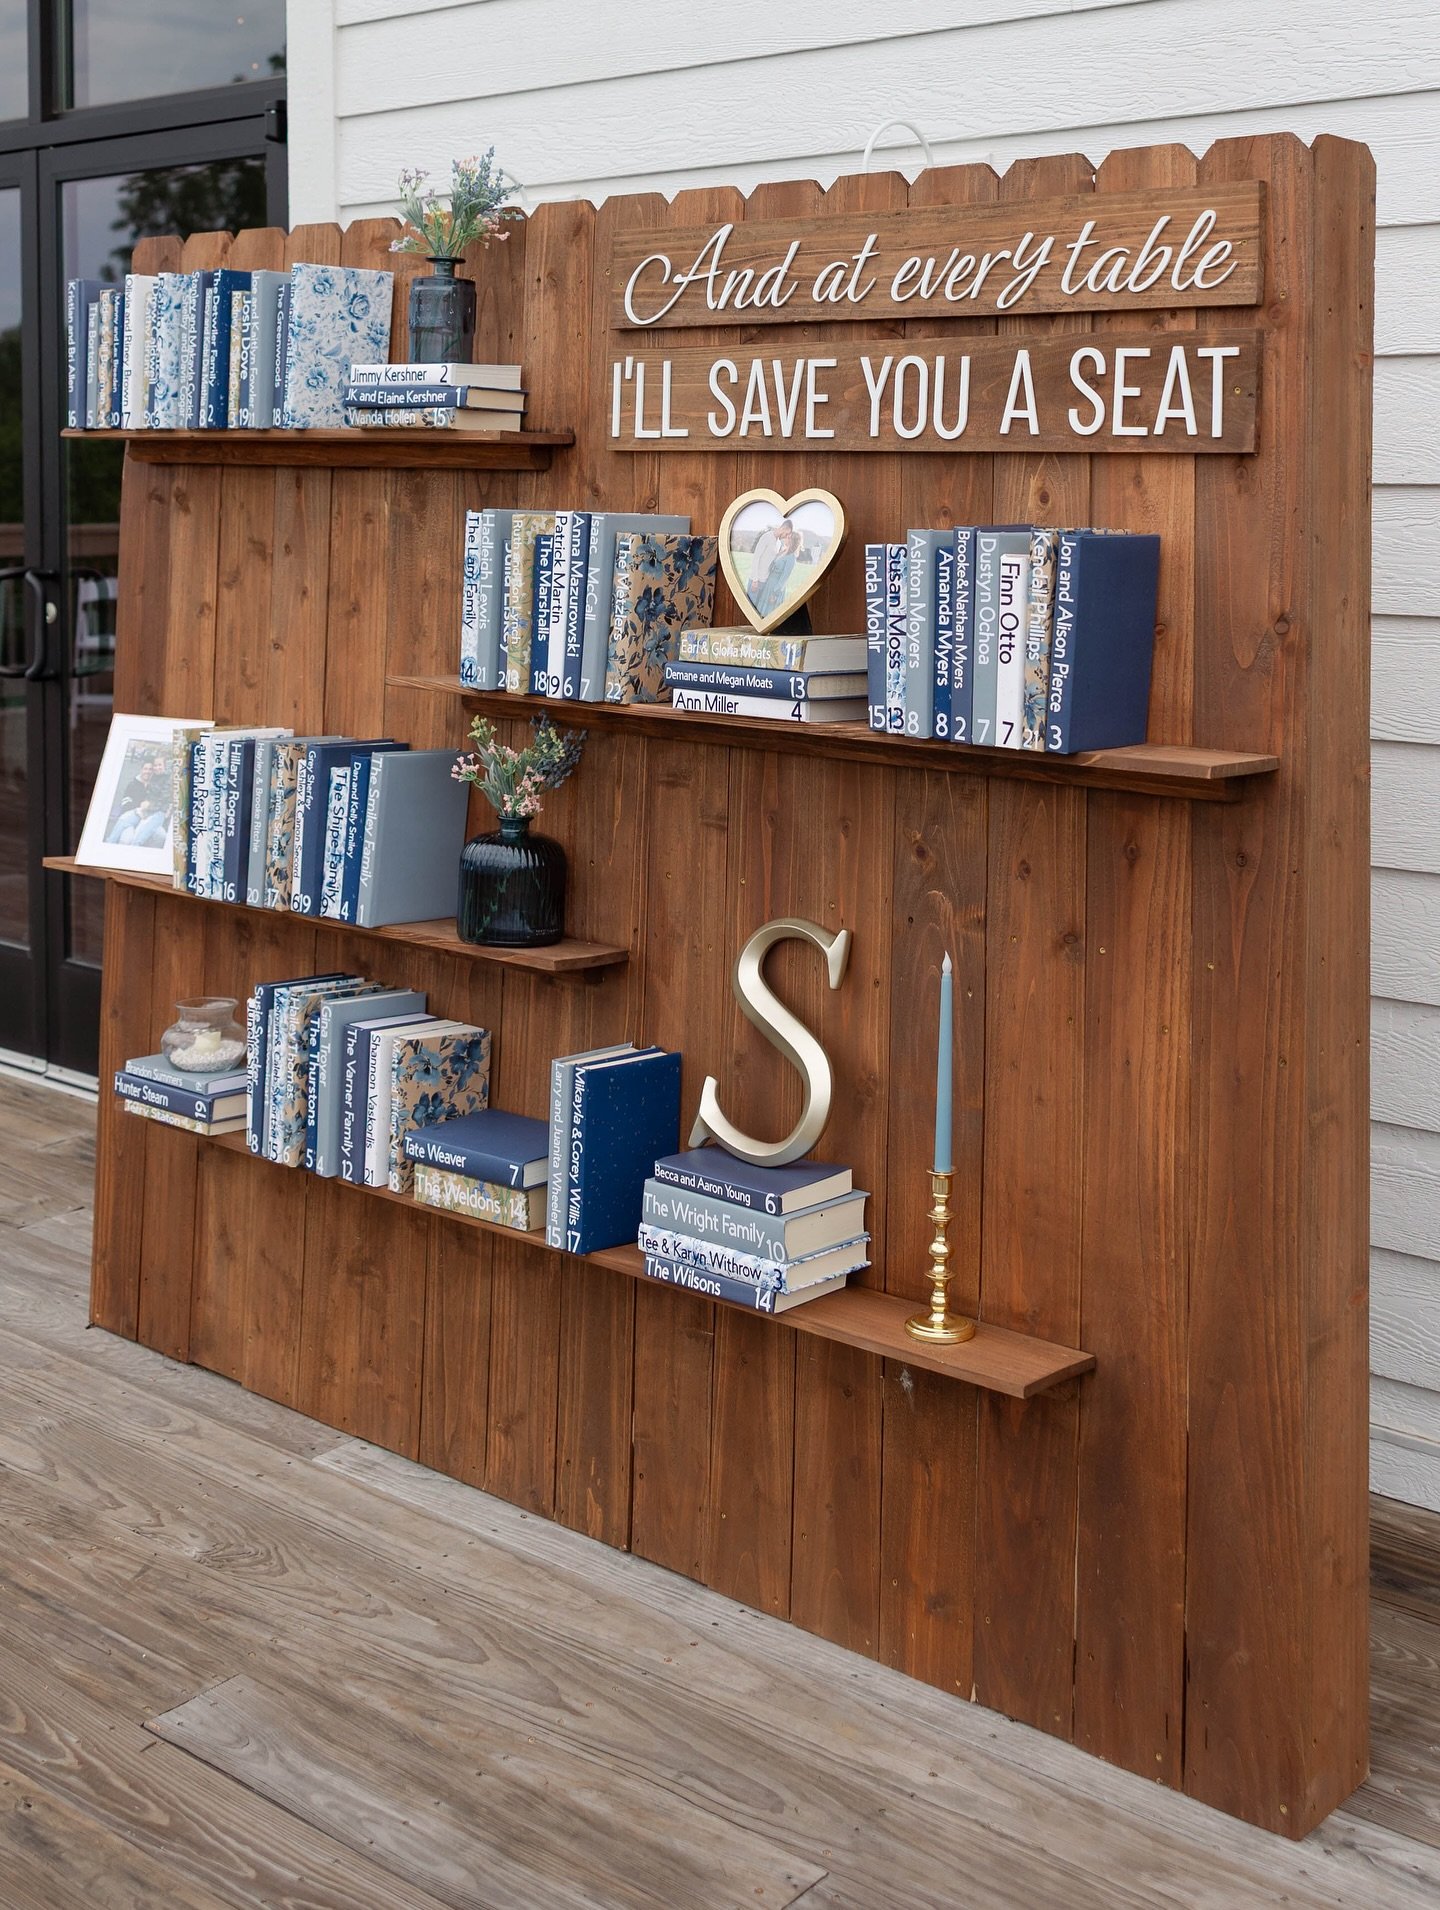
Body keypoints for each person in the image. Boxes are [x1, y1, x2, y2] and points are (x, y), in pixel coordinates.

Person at [755, 521, 802, 619]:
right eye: (787, 536)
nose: (786, 538)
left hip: (775, 588)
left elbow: (784, 579)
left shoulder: (791, 558)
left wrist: (775, 594)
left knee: (769, 614)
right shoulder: (783, 552)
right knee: (760, 612)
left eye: (789, 538)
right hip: (768, 584)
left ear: (793, 542)